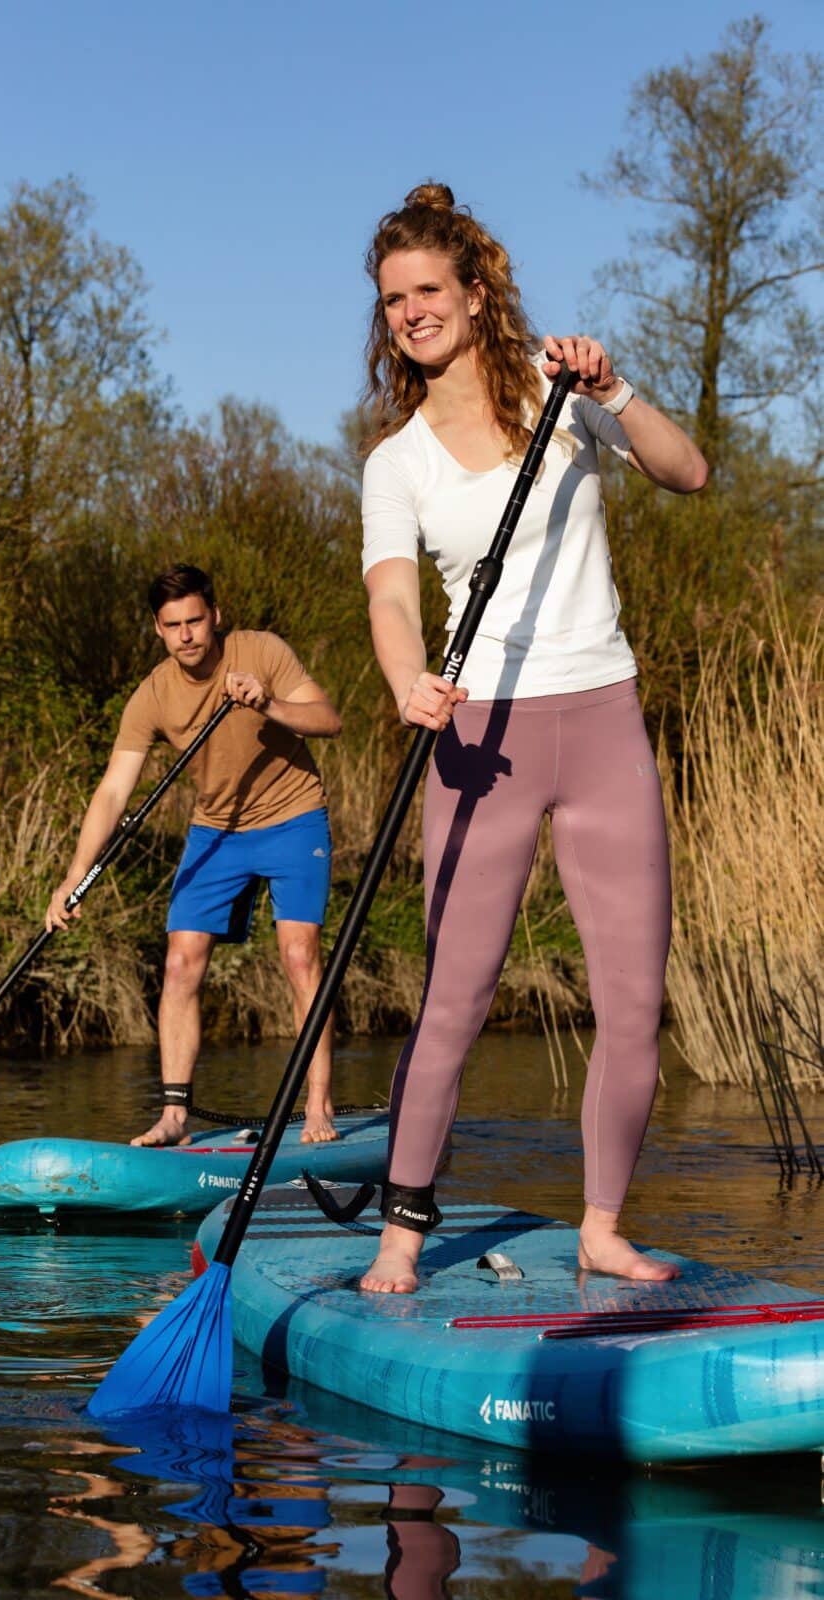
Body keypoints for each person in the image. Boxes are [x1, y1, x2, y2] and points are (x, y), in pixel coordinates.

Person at [358, 183, 708, 1291]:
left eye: (427, 291)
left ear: (474, 291)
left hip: (602, 717)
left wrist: (618, 386)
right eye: (392, 300)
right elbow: (391, 596)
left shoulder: (567, 395)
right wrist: (407, 675)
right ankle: (402, 1233)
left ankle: (603, 1225)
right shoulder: (396, 460)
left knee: (634, 1002)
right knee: (455, 998)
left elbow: (688, 471)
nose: (411, 313)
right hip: (477, 740)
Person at [47, 563, 342, 1147]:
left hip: (292, 817)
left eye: (195, 621)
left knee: (299, 954)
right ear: (158, 630)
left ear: (215, 617)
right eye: (172, 625)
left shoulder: (262, 651)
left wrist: (271, 703)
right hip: (216, 831)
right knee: (181, 961)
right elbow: (112, 790)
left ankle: (318, 1104)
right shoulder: (153, 695)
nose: (186, 635)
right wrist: (74, 876)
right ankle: (175, 1115)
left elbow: (328, 720)